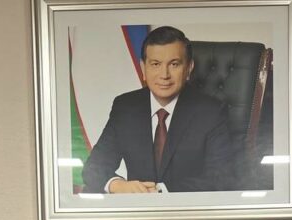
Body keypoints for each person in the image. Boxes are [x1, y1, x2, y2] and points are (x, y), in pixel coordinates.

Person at [81, 26, 236, 194]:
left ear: (189, 68)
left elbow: (222, 177)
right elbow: (94, 167)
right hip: (136, 207)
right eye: (155, 64)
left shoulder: (211, 111)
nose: (164, 75)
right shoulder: (125, 106)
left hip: (188, 207)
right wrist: (118, 185)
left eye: (174, 64)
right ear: (143, 68)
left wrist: (161, 191)